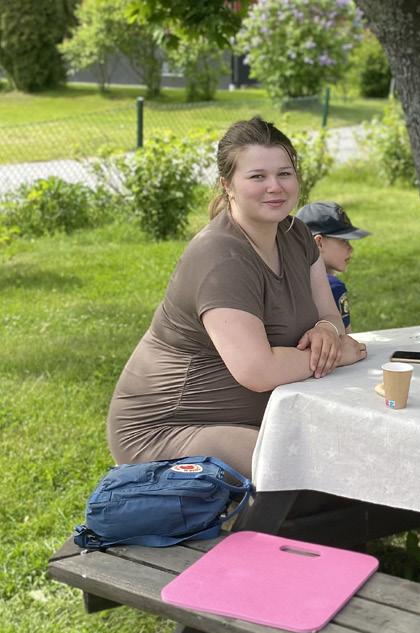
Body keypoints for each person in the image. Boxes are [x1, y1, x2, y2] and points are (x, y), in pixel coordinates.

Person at [107, 117, 368, 479]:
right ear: (227, 184)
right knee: (314, 467)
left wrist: (327, 330)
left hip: (260, 413)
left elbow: (330, 316)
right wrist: (336, 354)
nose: (275, 187)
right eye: (257, 176)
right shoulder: (221, 257)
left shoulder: (297, 235)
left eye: (285, 173)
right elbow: (258, 371)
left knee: (359, 442)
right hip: (169, 429)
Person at [295, 200, 371, 333]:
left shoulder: (290, 278)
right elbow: (345, 337)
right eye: (344, 241)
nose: (351, 248)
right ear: (319, 243)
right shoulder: (333, 286)